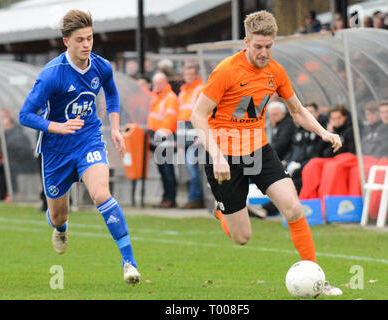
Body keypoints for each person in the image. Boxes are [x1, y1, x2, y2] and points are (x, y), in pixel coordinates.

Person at [190, 10, 343, 296]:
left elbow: (297, 111)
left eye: (268, 46)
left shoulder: (276, 71)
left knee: (294, 208)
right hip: (223, 156)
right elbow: (198, 116)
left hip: (258, 150)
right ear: (246, 41)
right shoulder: (226, 70)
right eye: (258, 46)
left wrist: (323, 132)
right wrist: (218, 155)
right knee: (243, 237)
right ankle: (222, 212)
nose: (263, 52)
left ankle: (316, 278)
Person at [18, 9, 141, 285]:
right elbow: (25, 114)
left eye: (90, 38)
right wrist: (57, 126)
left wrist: (116, 127)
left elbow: (111, 92)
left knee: (101, 194)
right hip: (56, 151)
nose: (87, 45)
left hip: (88, 140)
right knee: (58, 214)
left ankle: (129, 263)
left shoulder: (101, 66)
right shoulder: (52, 75)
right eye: (80, 40)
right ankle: (60, 228)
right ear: (66, 42)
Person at [147, 71, 179, 208]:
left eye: (159, 83)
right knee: (162, 169)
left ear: (165, 82)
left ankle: (170, 198)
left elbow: (170, 119)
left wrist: (160, 136)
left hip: (165, 137)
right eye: (155, 83)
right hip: (156, 137)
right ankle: (166, 197)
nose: (157, 86)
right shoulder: (155, 96)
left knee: (167, 169)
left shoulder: (169, 97)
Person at [177, 64, 205, 209]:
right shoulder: (183, 92)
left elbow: (203, 113)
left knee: (192, 167)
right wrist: (181, 143)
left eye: (191, 74)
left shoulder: (200, 89)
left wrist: (201, 135)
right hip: (185, 133)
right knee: (189, 168)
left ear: (196, 75)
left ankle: (195, 198)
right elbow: (181, 117)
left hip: (195, 134)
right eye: (186, 74)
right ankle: (194, 197)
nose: (188, 77)